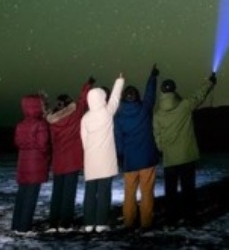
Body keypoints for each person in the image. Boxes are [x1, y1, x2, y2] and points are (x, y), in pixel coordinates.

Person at [153, 71, 217, 226]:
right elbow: (199, 96)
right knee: (188, 190)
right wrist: (210, 82)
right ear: (175, 90)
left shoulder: (157, 114)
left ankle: (171, 219)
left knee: (171, 192)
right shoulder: (184, 105)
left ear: (162, 91)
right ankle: (190, 217)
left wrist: (163, 149)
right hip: (187, 156)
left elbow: (157, 135)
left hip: (170, 158)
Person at [44, 76, 94, 231]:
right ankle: (65, 222)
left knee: (57, 192)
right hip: (72, 161)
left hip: (59, 162)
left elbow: (50, 142)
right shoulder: (75, 114)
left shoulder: (52, 122)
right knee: (69, 192)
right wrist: (88, 85)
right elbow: (82, 100)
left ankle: (53, 221)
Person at [114, 63, 160, 231]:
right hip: (147, 159)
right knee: (147, 193)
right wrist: (152, 77)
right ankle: (146, 223)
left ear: (124, 98)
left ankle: (129, 222)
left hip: (130, 162)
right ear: (137, 97)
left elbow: (118, 141)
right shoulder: (144, 110)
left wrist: (120, 157)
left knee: (129, 194)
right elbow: (150, 95)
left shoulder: (118, 118)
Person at [80, 73, 125, 233]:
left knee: (90, 192)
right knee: (104, 192)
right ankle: (101, 223)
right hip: (105, 160)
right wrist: (119, 80)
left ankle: (88, 223)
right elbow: (115, 98)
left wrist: (90, 153)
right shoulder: (106, 113)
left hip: (91, 160)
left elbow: (84, 141)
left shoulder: (85, 118)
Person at [12, 92, 51, 233]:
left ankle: (16, 224)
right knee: (31, 195)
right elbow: (43, 144)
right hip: (36, 163)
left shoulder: (21, 124)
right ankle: (24, 227)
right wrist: (47, 155)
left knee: (22, 194)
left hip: (23, 162)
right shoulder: (41, 124)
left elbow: (17, 142)